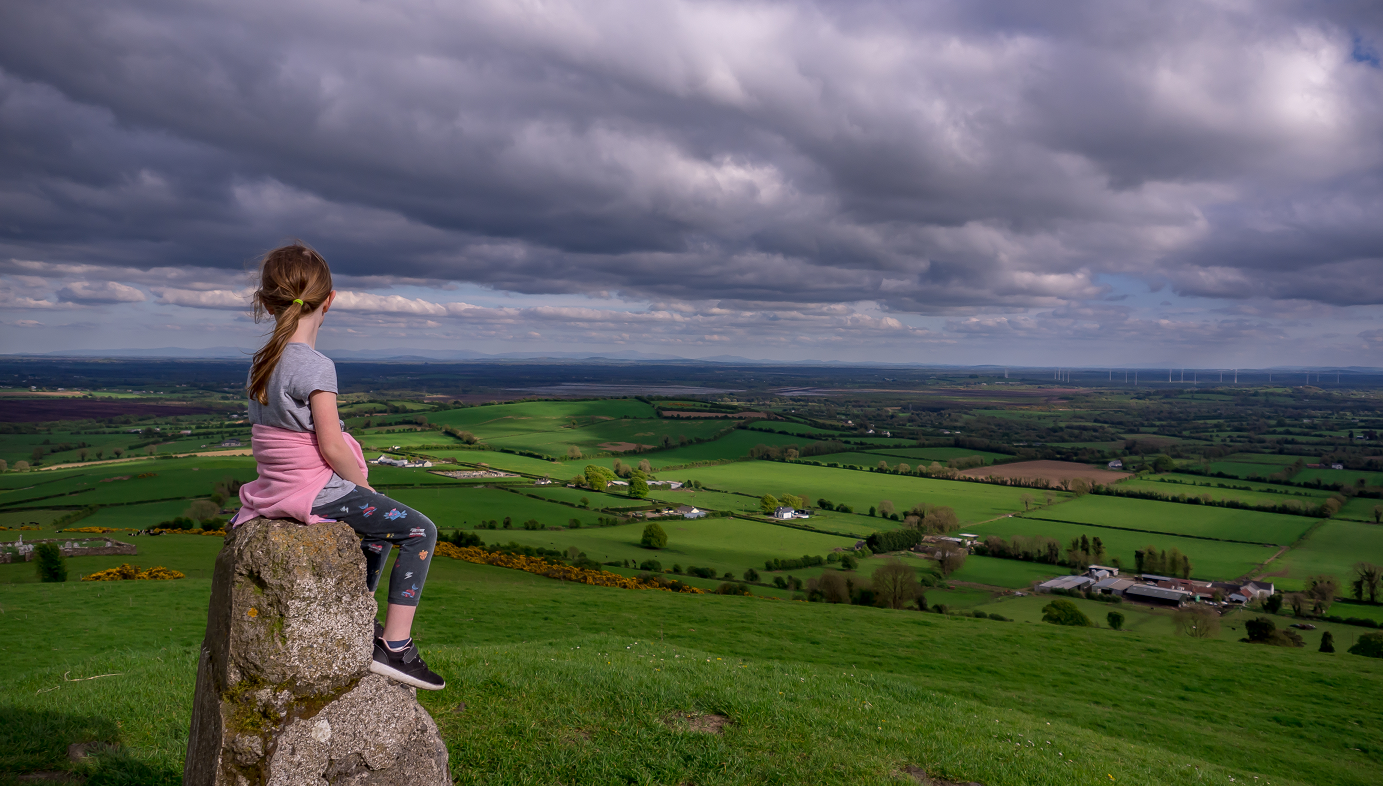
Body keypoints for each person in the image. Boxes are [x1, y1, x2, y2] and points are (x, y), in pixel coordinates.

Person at [233, 243, 444, 690]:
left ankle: (356, 619)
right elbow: (331, 444)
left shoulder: (264, 361)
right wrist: (361, 482)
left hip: (276, 484)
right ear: (329, 301)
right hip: (315, 488)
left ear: (267, 302)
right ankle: (395, 647)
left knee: (378, 529)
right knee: (418, 531)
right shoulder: (314, 365)